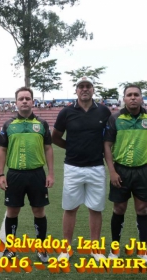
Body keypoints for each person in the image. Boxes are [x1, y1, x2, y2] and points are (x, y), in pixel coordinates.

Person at [52, 77, 111, 262]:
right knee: (70, 208)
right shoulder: (66, 112)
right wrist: (71, 148)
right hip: (73, 167)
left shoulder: (103, 111)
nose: (84, 89)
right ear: (76, 90)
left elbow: (108, 139)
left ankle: (95, 249)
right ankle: (66, 248)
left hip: (96, 167)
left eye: (88, 86)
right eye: (81, 86)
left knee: (96, 208)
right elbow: (55, 137)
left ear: (93, 90)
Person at [0, 86, 54, 263]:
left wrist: (51, 173)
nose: (24, 101)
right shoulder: (8, 125)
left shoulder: (41, 124)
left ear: (32, 101)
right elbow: (2, 150)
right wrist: (1, 174)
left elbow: (48, 148)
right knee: (12, 211)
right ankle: (10, 249)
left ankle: (41, 247)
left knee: (39, 210)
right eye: (21, 99)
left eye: (27, 98)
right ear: (16, 102)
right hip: (14, 174)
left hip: (37, 174)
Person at [104, 85, 147, 261]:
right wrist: (112, 171)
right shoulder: (115, 119)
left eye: (136, 95)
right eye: (129, 95)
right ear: (124, 98)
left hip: (143, 170)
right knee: (119, 208)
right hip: (121, 169)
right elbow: (107, 145)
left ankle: (143, 251)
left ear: (141, 98)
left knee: (143, 209)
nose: (133, 98)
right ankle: (115, 250)